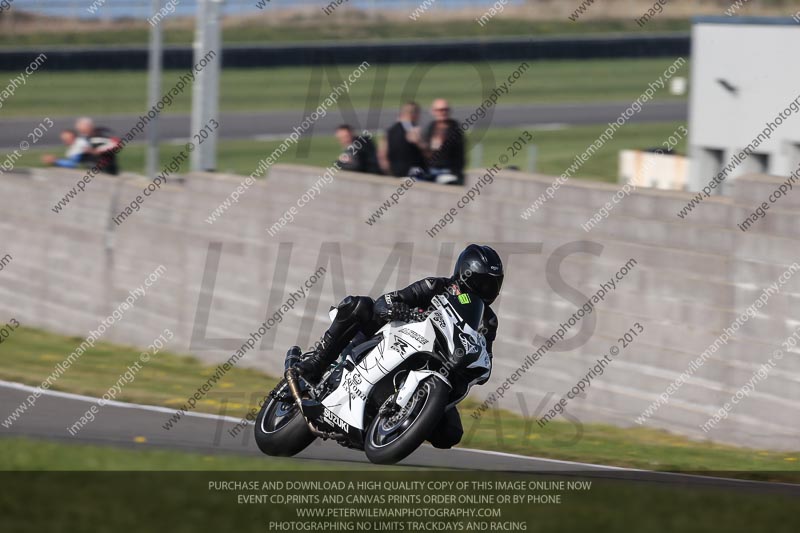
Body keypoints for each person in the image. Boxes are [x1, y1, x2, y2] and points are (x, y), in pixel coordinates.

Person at [294, 244, 503, 449]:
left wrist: (478, 368)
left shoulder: (488, 320)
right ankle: (316, 363)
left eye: (491, 285)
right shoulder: (436, 287)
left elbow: (485, 353)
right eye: (481, 282)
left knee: (450, 433)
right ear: (464, 273)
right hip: (395, 336)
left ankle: (402, 422)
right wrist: (397, 310)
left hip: (440, 364)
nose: (486, 289)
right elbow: (389, 300)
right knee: (359, 306)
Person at [422, 98, 466, 185]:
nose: (442, 112)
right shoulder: (430, 128)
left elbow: (458, 154)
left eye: (445, 110)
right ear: (433, 112)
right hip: (431, 170)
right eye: (439, 110)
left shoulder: (455, 129)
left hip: (448, 171)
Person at [379, 102, 427, 178]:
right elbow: (425, 151)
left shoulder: (389, 131)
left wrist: (389, 173)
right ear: (414, 114)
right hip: (414, 175)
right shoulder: (413, 129)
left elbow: (382, 155)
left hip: (395, 174)